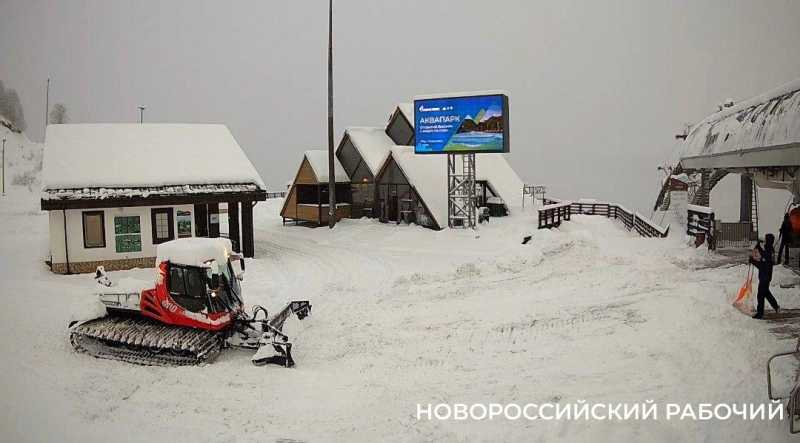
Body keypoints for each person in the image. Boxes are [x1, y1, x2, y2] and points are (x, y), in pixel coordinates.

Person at [749, 233, 779, 319]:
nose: (765, 241)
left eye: (766, 240)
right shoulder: (769, 250)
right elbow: (763, 255)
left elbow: (762, 265)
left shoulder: (769, 252)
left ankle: (760, 313)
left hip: (765, 277)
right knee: (766, 292)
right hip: (766, 276)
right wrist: (758, 247)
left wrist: (753, 261)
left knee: (760, 295)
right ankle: (776, 306)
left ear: (768, 241)